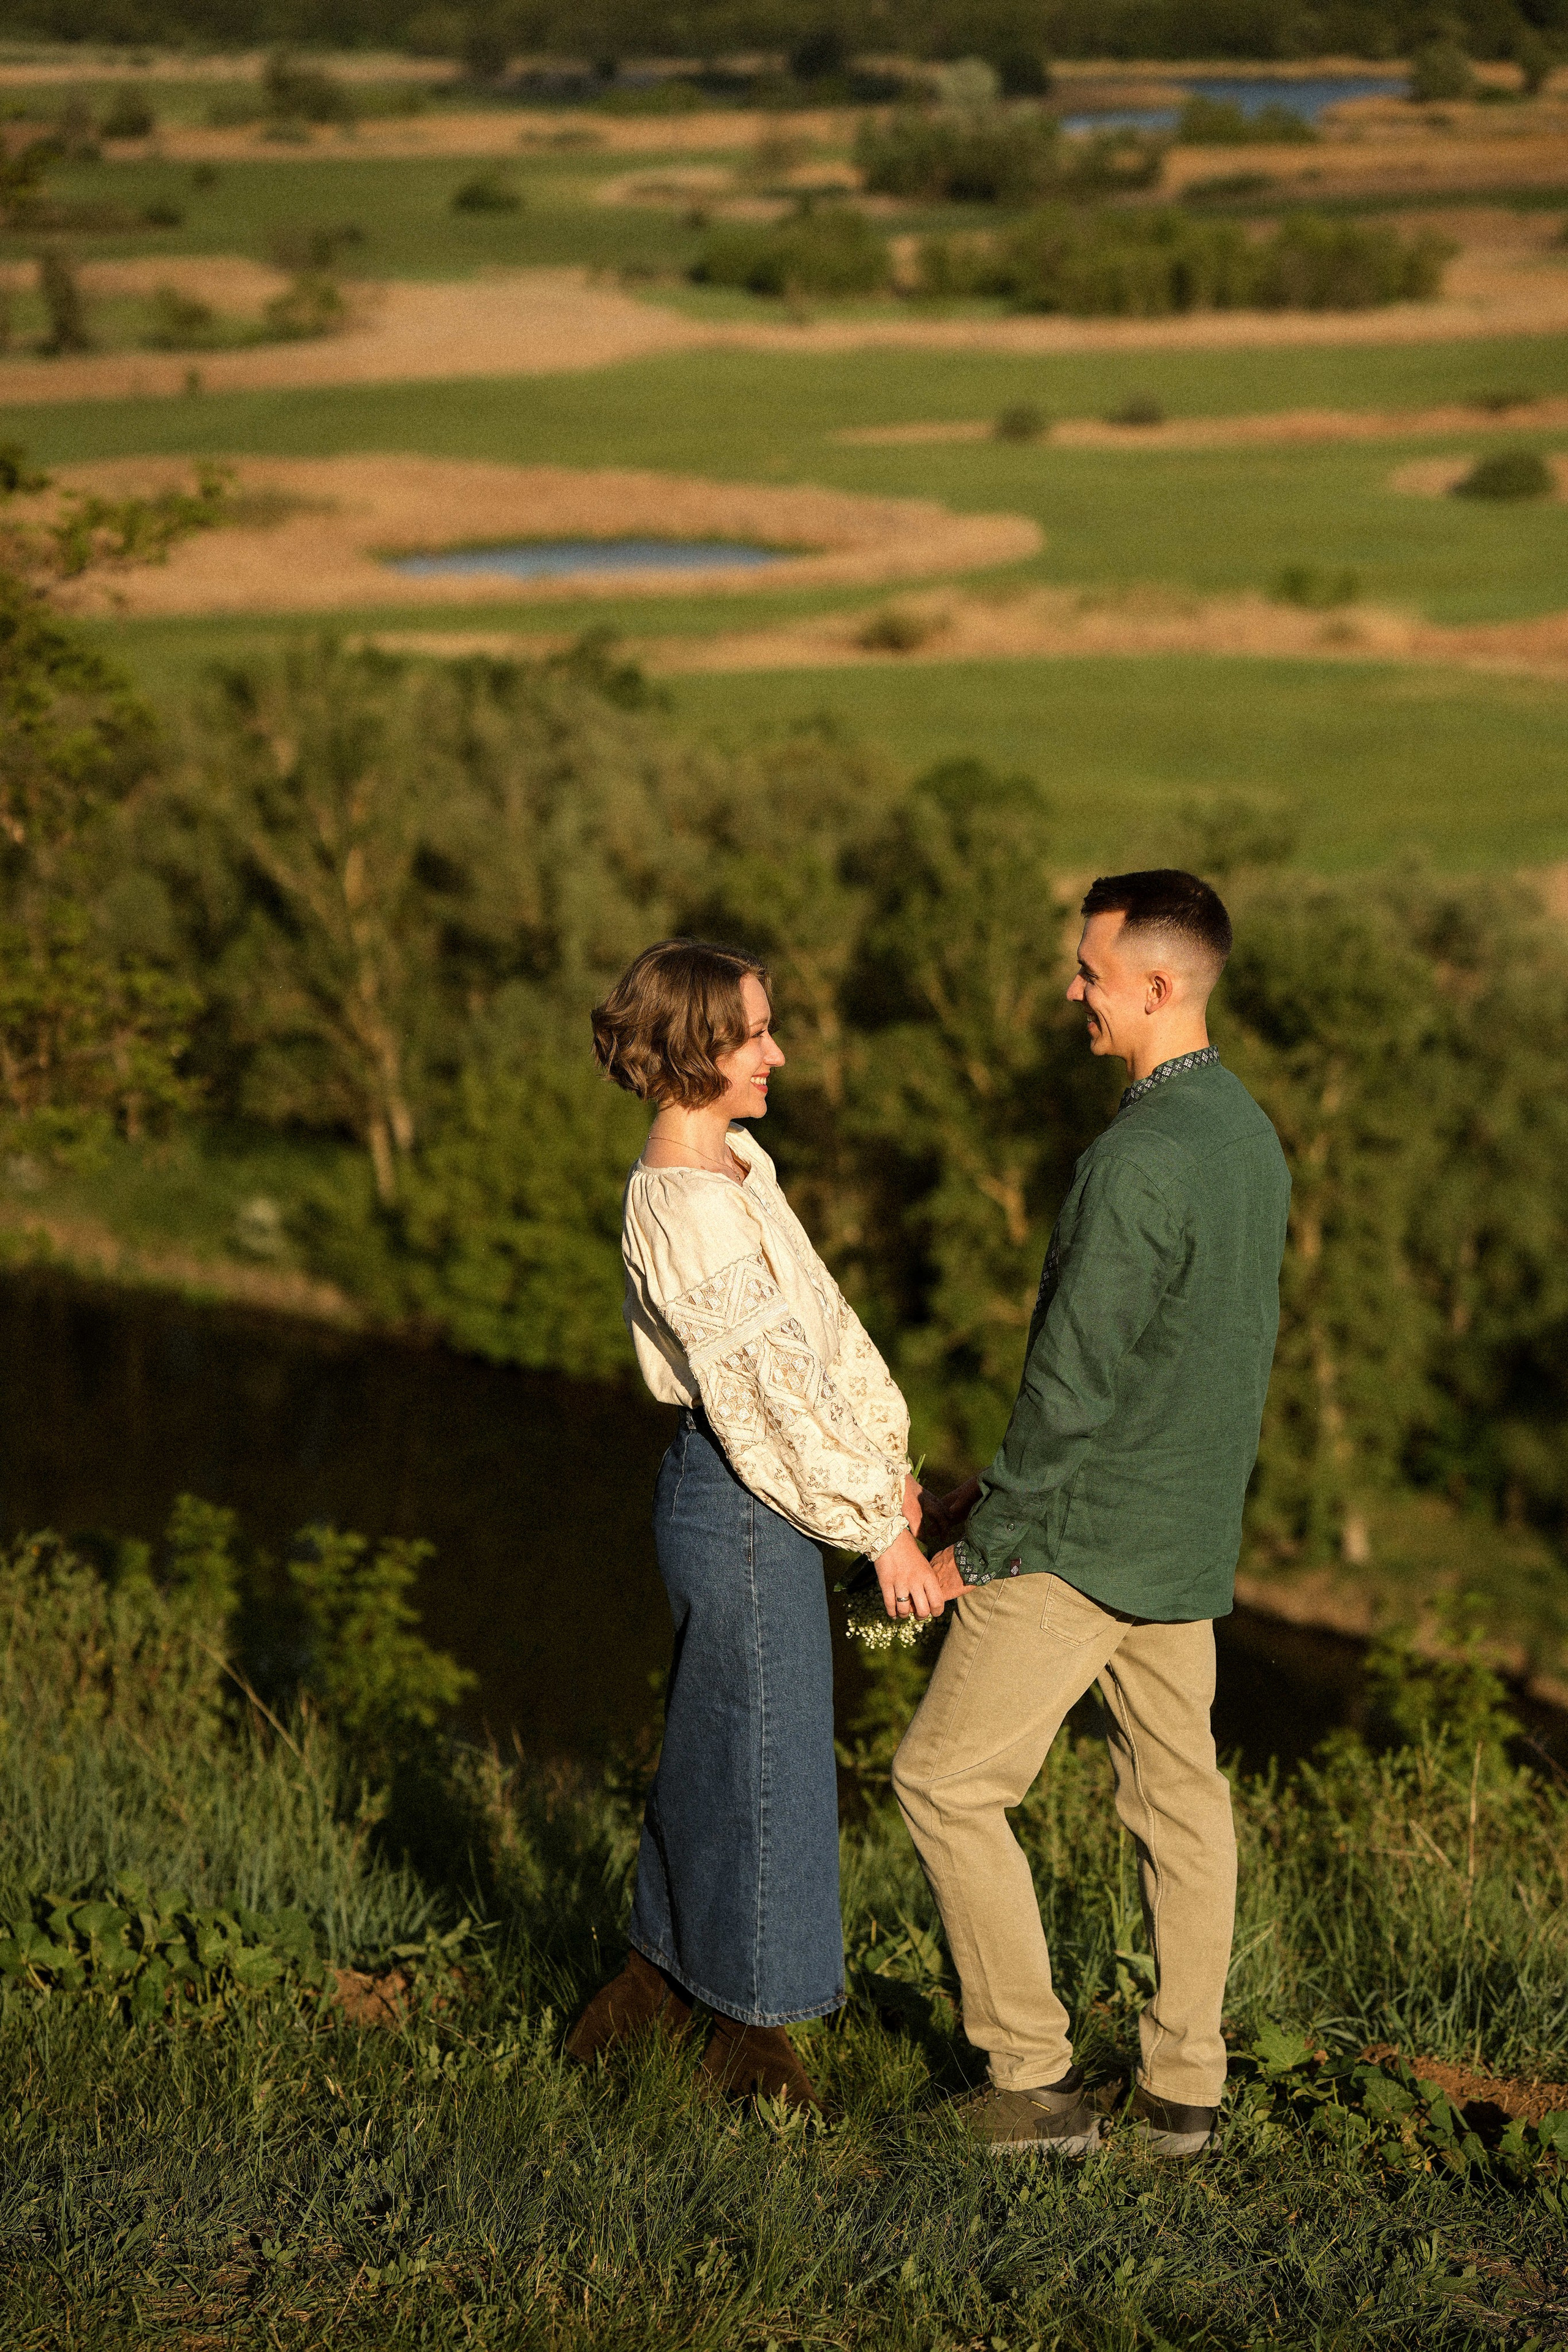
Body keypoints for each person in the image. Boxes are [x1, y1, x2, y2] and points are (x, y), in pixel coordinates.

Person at [892, 870, 1291, 2160]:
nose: (1072, 990)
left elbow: (1070, 1386)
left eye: (1089, 972)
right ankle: (1183, 2094)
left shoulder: (1134, 1160)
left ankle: (1031, 2084)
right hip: (1184, 1539)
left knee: (944, 1783)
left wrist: (979, 1543)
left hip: (1078, 1542)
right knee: (1178, 1801)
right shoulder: (1244, 1134)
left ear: (1157, 984)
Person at [566, 938, 945, 2107]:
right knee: (768, 1756)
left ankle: (654, 1986)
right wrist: (877, 1530)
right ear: (698, 1047)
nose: (777, 1053)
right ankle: (751, 2033)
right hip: (739, 1488)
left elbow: (816, 1333)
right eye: (756, 1034)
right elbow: (767, 1396)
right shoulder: (686, 1208)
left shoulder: (736, 1163)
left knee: (720, 1739)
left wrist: (886, 1468)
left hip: (764, 1482)